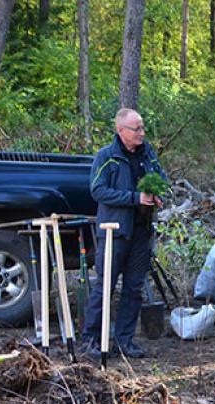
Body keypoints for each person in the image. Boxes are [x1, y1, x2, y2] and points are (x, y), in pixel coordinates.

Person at [81, 108, 167, 359]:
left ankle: (124, 341)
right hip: (114, 232)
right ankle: (91, 339)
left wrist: (157, 192)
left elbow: (161, 177)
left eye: (142, 127)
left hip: (142, 232)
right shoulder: (106, 157)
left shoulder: (147, 154)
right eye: (136, 129)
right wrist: (134, 198)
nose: (142, 133)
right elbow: (98, 191)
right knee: (104, 286)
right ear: (121, 131)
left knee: (133, 288)